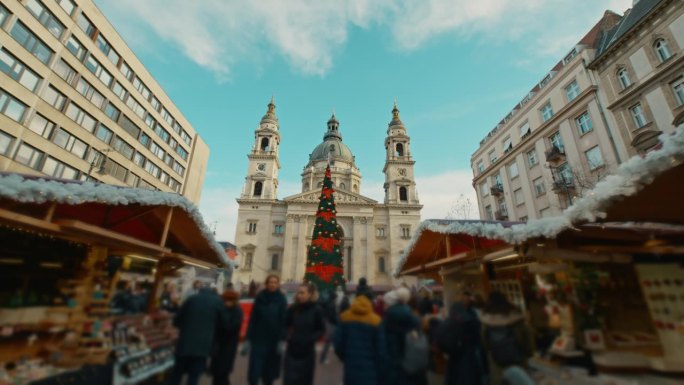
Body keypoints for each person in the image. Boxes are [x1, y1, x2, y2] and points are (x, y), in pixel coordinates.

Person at [168, 285, 229, 385]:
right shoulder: (217, 302)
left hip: (185, 343)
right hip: (203, 346)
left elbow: (177, 320)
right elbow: (224, 324)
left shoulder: (191, 299)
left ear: (199, 291)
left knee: (177, 373)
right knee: (194, 375)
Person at [243, 275, 288, 385]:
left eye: (275, 282)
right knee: (254, 373)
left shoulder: (281, 299)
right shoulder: (260, 297)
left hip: (274, 340)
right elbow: (253, 319)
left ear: (278, 285)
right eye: (270, 282)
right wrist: (248, 338)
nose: (272, 284)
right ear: (266, 284)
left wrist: (282, 340)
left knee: (269, 374)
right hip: (258, 339)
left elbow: (283, 321)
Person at [480, 292, 532, 385]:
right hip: (518, 358)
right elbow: (527, 337)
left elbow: (485, 342)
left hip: (496, 361)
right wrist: (528, 352)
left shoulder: (486, 320)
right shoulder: (516, 317)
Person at [334, 295, 385, 385]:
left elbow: (338, 343)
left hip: (350, 365)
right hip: (370, 368)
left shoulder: (345, 317)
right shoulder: (376, 320)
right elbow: (381, 349)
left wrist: (345, 357)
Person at [382, 287, 427, 385]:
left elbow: (385, 345)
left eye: (384, 303)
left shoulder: (388, 317)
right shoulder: (412, 316)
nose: (383, 306)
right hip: (413, 365)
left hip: (395, 366)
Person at [283, 284, 326, 385]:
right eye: (298, 292)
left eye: (302, 293)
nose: (299, 295)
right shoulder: (293, 309)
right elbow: (284, 325)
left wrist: (311, 339)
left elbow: (321, 329)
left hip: (307, 352)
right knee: (289, 380)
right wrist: (288, 337)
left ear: (310, 294)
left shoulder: (316, 310)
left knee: (305, 381)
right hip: (292, 351)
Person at [436, 302, 485, 385]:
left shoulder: (446, 324)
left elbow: (440, 342)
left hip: (453, 360)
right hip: (470, 357)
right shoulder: (471, 321)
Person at [211, 290, 243, 385]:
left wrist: (222, 315)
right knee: (216, 373)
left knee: (223, 373)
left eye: (230, 300)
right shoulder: (220, 309)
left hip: (229, 345)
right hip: (218, 345)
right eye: (225, 300)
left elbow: (230, 327)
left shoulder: (237, 311)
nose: (227, 302)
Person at [319, 289, 338, 364]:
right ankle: (323, 358)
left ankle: (323, 357)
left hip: (327, 323)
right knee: (328, 342)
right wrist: (336, 321)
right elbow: (332, 316)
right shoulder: (331, 304)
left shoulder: (328, 303)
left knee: (328, 341)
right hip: (330, 325)